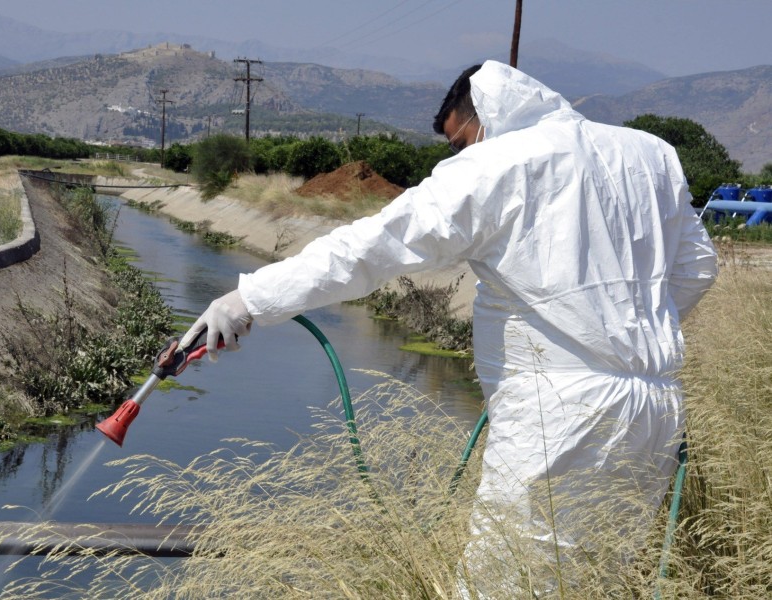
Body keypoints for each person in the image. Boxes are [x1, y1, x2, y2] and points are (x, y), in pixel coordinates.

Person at [181, 60, 718, 595]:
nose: (460, 153)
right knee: (601, 579)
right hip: (654, 409)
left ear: (482, 116)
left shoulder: (499, 163)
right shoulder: (649, 154)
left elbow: (369, 249)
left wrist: (248, 299)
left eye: (459, 141)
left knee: (504, 580)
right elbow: (697, 268)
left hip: (558, 416)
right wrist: (622, 339)